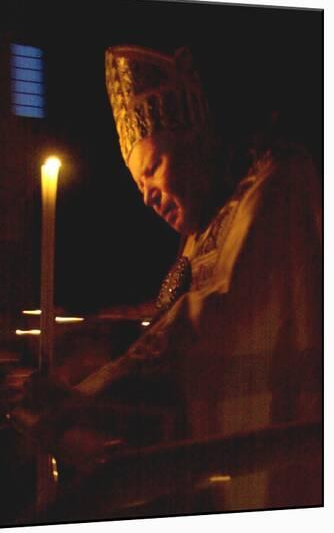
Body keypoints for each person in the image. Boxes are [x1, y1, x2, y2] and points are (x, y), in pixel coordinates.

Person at [20, 44, 321, 514]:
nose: (148, 197)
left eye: (153, 169)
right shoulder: (200, 232)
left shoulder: (275, 183)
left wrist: (88, 394)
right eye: (139, 185)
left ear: (195, 139)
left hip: (285, 470)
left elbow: (210, 319)